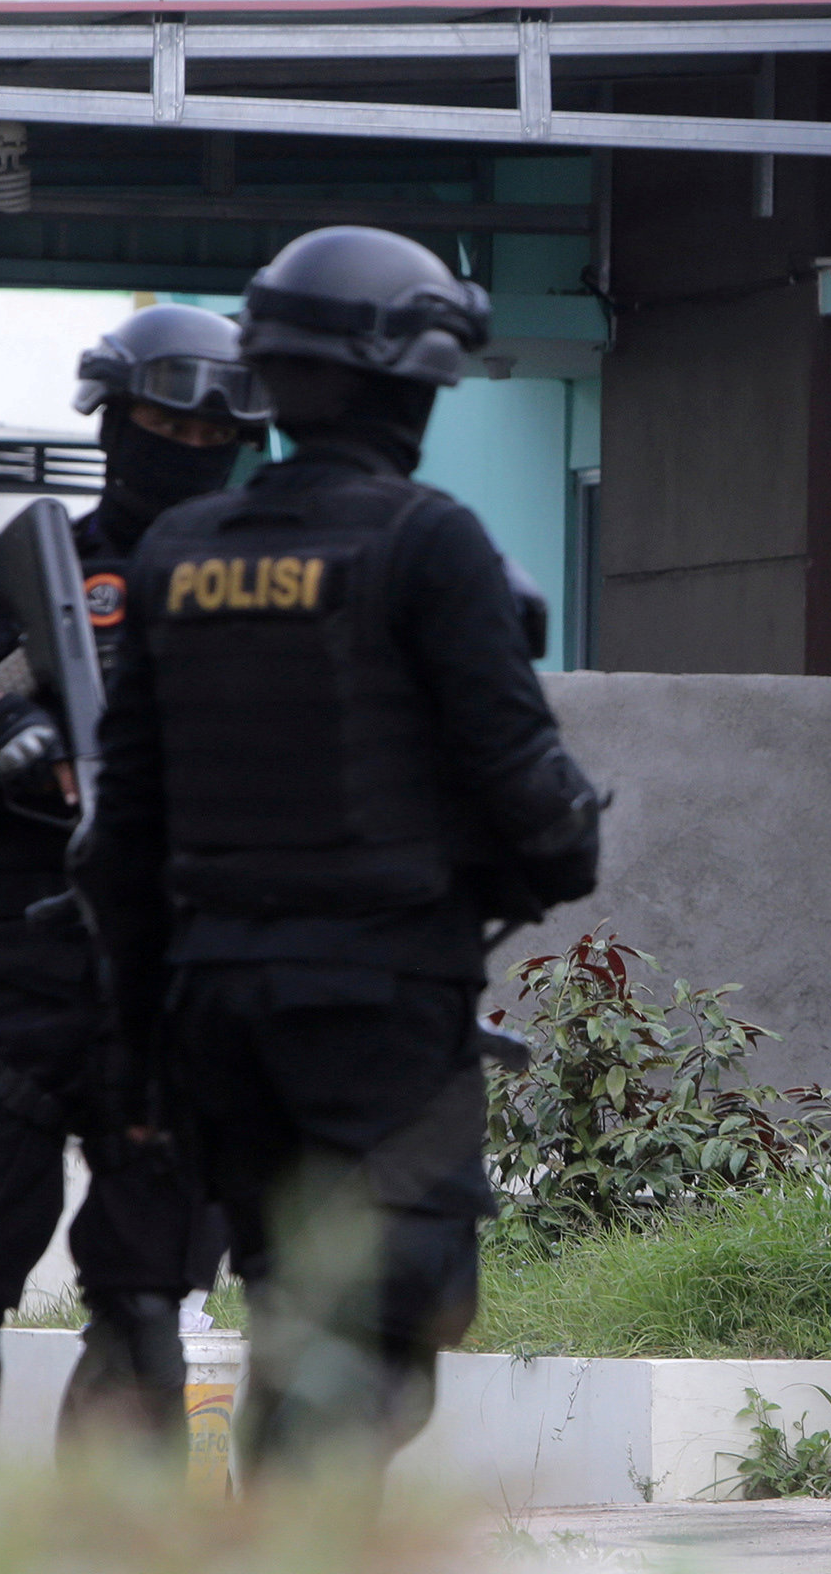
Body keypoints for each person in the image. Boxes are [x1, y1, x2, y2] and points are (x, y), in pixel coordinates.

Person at [78, 226, 603, 1480]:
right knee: (381, 1329)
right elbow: (536, 805)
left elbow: (122, 837)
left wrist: (144, 1045)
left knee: (289, 1312)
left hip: (215, 1009)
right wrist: (550, 841)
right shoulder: (431, 543)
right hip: (376, 1007)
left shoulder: (178, 553)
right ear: (410, 381)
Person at [0, 303, 270, 1445]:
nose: (188, 445)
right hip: (19, 976)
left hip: (175, 988)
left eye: (211, 429)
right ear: (112, 423)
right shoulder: (36, 568)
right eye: (162, 421)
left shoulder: (267, 579)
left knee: (143, 1309)